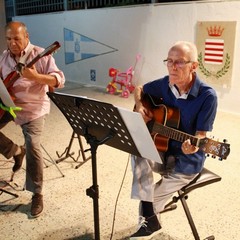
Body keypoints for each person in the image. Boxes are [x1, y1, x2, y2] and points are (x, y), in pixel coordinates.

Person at [129, 41, 218, 239]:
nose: (172, 67)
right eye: (169, 61)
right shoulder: (165, 84)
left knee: (149, 201)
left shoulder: (207, 96)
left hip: (186, 162)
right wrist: (140, 106)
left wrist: (193, 147)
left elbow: (201, 136)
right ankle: (150, 218)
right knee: (135, 147)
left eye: (179, 62)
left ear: (193, 66)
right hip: (163, 150)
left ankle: (148, 223)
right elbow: (140, 89)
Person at [0, 21, 65, 218]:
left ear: (26, 37)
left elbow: (59, 80)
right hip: (9, 106)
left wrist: (36, 76)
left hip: (33, 109)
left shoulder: (40, 55)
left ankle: (37, 193)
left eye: (17, 39)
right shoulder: (4, 57)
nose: (12, 43)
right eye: (8, 39)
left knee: (34, 145)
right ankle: (16, 151)